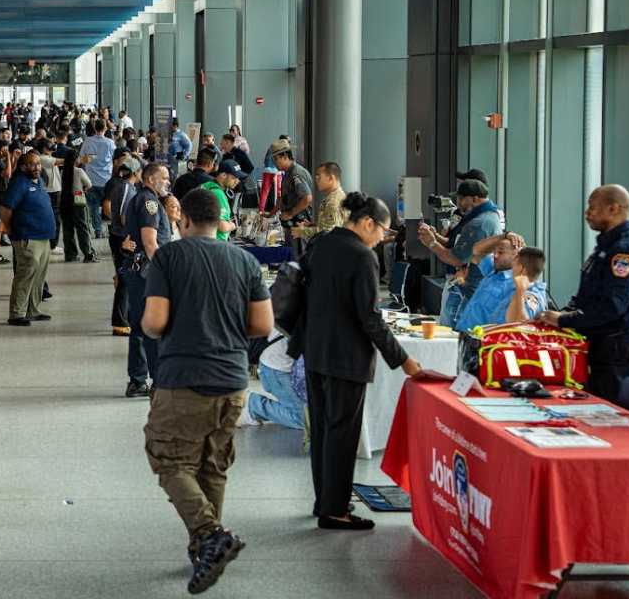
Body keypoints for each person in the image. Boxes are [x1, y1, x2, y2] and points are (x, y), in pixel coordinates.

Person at [139, 187, 273, 593]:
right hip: (233, 382)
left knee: (169, 459)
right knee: (212, 465)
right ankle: (204, 552)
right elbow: (263, 326)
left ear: (184, 221)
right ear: (220, 221)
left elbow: (156, 322)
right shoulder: (245, 261)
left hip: (185, 378)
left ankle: (210, 534)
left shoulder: (169, 257)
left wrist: (150, 326)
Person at [298, 193, 422, 531]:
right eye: (383, 231)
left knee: (323, 430)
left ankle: (324, 498)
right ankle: (336, 510)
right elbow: (369, 317)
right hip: (346, 357)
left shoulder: (322, 244)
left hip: (316, 350)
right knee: (342, 434)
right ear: (368, 223)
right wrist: (403, 360)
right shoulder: (362, 257)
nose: (383, 238)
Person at [537, 185, 629, 404]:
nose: (587, 213)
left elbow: (612, 307)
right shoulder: (605, 247)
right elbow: (587, 296)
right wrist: (558, 315)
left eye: (593, 207)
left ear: (613, 209)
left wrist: (565, 320)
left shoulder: (625, 251)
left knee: (610, 413)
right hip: (597, 345)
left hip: (615, 351)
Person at [417, 179, 504, 326]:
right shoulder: (487, 216)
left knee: (452, 335)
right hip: (469, 286)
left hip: (467, 290)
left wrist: (431, 243)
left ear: (475, 198)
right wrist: (437, 238)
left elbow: (457, 259)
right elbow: (458, 246)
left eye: (461, 198)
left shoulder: (479, 223)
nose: (458, 203)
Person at [121, 162, 173, 397]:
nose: (168, 182)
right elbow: (150, 241)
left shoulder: (142, 199)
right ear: (151, 179)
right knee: (151, 327)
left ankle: (139, 379)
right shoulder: (149, 202)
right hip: (146, 273)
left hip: (139, 270)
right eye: (164, 177)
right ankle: (156, 380)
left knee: (140, 327)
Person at [0, 151, 56, 327]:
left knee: (39, 275)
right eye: (32, 164)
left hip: (43, 237)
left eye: (38, 164)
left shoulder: (38, 182)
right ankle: (17, 313)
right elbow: (4, 209)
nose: (37, 167)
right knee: (26, 273)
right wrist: (9, 228)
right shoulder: (18, 184)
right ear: (23, 167)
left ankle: (33, 309)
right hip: (26, 237)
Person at [453, 232, 532, 332]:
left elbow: (519, 324)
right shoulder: (493, 270)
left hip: (483, 342)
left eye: (500, 252)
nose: (495, 255)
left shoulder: (517, 284)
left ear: (516, 257)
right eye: (494, 251)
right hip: (463, 336)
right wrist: (504, 235)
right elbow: (476, 251)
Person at [106, 157, 141, 336]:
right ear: (135, 173)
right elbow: (123, 215)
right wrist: (130, 236)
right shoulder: (127, 188)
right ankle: (120, 320)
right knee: (125, 280)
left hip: (119, 235)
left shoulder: (122, 186)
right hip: (123, 237)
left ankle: (125, 316)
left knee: (125, 278)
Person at [268, 140, 313, 237]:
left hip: (299, 223)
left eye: (276, 159)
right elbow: (283, 197)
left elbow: (307, 198)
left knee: (299, 251)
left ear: (285, 156)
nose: (274, 163)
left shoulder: (296, 174)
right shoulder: (288, 173)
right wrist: (271, 214)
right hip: (291, 223)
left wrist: (291, 213)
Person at [293, 162, 347, 244]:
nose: (316, 179)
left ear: (330, 178)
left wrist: (302, 231)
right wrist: (312, 225)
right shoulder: (333, 197)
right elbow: (330, 226)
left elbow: (328, 232)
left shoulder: (333, 202)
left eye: (319, 176)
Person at [80, 119, 116, 238]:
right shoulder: (110, 143)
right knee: (109, 205)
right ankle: (113, 228)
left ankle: (98, 230)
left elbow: (82, 159)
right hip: (106, 180)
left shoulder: (87, 141)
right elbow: (115, 159)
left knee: (94, 207)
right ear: (105, 129)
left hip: (91, 179)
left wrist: (91, 160)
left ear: (95, 128)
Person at [59, 148, 96, 263]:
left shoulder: (62, 172)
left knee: (67, 229)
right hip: (78, 200)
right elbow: (89, 184)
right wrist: (83, 189)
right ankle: (88, 254)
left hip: (65, 201)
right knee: (83, 228)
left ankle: (70, 254)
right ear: (76, 159)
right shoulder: (79, 171)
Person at [201, 159, 244, 241]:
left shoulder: (206, 185)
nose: (237, 181)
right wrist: (233, 225)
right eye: (234, 178)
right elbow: (223, 227)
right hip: (217, 244)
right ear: (223, 175)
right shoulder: (218, 194)